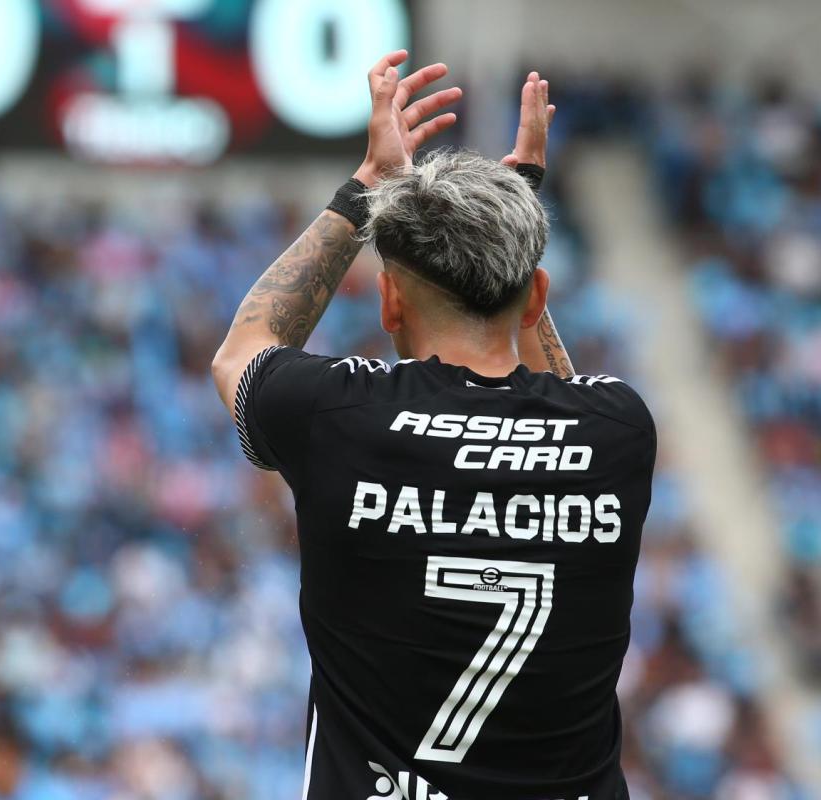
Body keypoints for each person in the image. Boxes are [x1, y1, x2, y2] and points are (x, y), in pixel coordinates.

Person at [212, 51, 656, 799]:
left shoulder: (338, 416)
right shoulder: (618, 429)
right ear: (536, 295)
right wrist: (518, 227)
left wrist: (366, 186)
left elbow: (244, 349)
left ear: (389, 303)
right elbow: (561, 398)